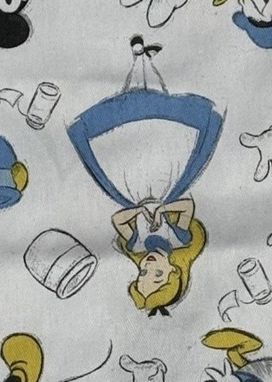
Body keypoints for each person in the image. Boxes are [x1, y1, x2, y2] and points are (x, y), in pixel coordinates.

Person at [67, 37, 222, 316]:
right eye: (157, 275)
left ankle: (139, 60)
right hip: (164, 181)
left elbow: (118, 220)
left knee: (126, 116)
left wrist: (139, 210)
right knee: (159, 117)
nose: (148, 267)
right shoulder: (179, 239)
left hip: (132, 185)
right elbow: (187, 207)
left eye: (142, 274)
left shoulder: (136, 245)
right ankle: (143, 60)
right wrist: (162, 209)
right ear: (174, 270)